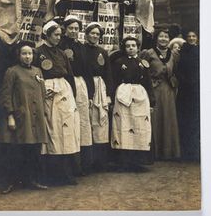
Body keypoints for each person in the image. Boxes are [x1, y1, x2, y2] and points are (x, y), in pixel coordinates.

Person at [0, 41, 48, 194]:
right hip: (19, 117)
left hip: (35, 117)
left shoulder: (38, 71)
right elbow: (6, 95)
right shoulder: (12, 71)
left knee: (32, 150)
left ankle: (31, 180)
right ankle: (10, 182)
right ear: (19, 55)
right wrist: (10, 116)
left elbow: (42, 93)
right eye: (24, 54)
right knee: (15, 151)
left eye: (30, 53)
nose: (27, 57)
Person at [36, 20, 80, 185]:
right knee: (51, 131)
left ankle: (66, 173)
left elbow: (69, 74)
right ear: (47, 35)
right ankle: (51, 175)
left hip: (64, 92)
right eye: (56, 35)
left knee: (67, 132)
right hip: (48, 93)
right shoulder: (37, 52)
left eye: (60, 35)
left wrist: (73, 96)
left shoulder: (62, 53)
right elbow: (35, 73)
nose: (58, 38)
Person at [111, 37, 155, 172]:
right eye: (128, 46)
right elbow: (114, 80)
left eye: (133, 46)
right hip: (123, 94)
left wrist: (152, 101)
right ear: (124, 48)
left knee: (139, 125)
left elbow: (148, 82)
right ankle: (123, 161)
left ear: (138, 47)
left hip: (140, 95)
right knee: (123, 125)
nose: (131, 48)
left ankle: (138, 161)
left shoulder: (143, 63)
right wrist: (112, 98)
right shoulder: (119, 62)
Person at [59, 15, 95, 175]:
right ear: (65, 29)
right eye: (71, 28)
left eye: (76, 28)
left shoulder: (81, 47)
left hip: (81, 85)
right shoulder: (60, 45)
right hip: (66, 84)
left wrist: (90, 91)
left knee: (82, 121)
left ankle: (81, 164)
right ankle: (66, 165)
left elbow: (87, 70)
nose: (74, 31)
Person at [141, 29, 181, 160]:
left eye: (166, 37)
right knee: (155, 118)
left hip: (168, 90)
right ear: (156, 39)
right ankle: (154, 151)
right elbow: (142, 69)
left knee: (168, 118)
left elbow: (177, 70)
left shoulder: (174, 54)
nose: (163, 39)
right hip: (154, 89)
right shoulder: (149, 53)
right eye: (161, 37)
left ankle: (168, 151)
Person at [84, 22, 113, 171]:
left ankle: (100, 162)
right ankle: (87, 161)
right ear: (87, 34)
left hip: (100, 87)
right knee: (88, 121)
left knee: (101, 123)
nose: (94, 36)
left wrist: (108, 95)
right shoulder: (82, 49)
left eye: (97, 34)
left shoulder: (103, 52)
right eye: (92, 33)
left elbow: (108, 73)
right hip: (86, 87)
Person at [177, 30, 200, 161]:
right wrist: (185, 81)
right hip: (185, 90)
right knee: (185, 119)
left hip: (197, 89)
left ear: (197, 38)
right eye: (189, 36)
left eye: (193, 36)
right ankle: (185, 152)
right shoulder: (183, 52)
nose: (191, 38)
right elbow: (178, 69)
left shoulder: (201, 51)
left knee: (196, 120)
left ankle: (196, 152)